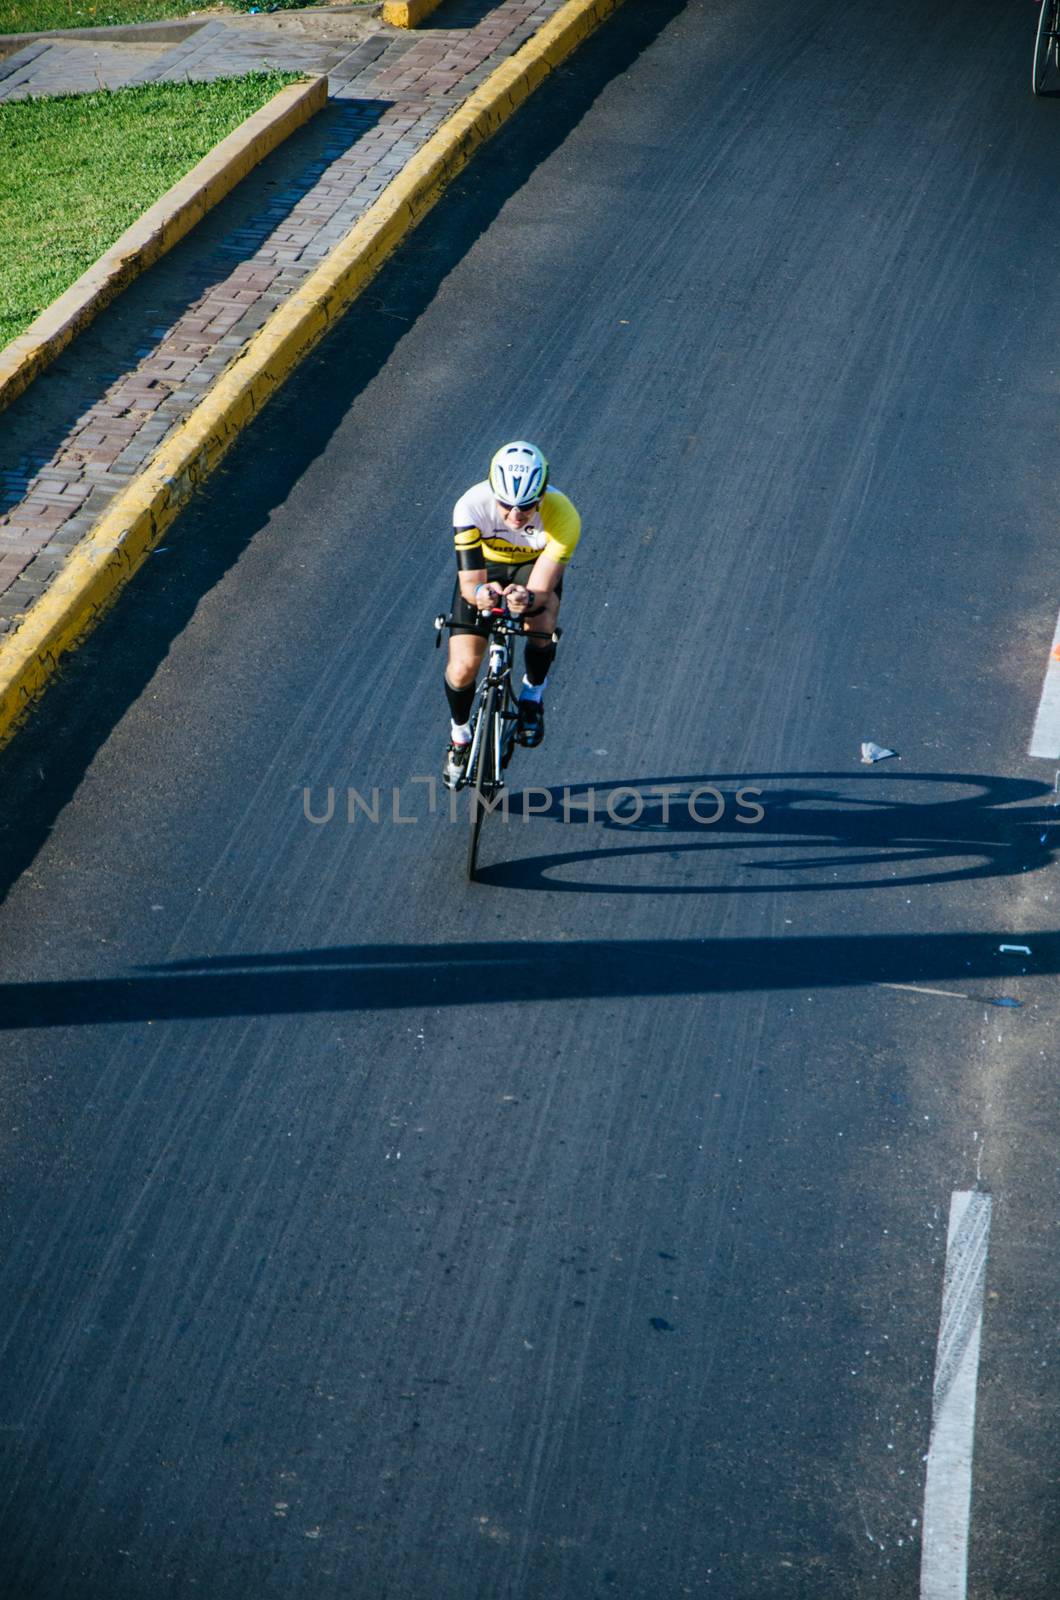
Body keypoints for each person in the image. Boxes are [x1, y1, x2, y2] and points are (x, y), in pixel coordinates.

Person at [442, 441, 581, 789]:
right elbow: (470, 584)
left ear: (542, 495)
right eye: (506, 504)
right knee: (462, 669)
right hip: (486, 569)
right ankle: (460, 736)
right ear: (493, 492)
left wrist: (526, 597)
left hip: (531, 570)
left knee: (542, 617)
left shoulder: (564, 516)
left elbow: (541, 589)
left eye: (527, 506)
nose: (516, 515)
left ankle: (533, 695)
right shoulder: (470, 506)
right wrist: (480, 595)